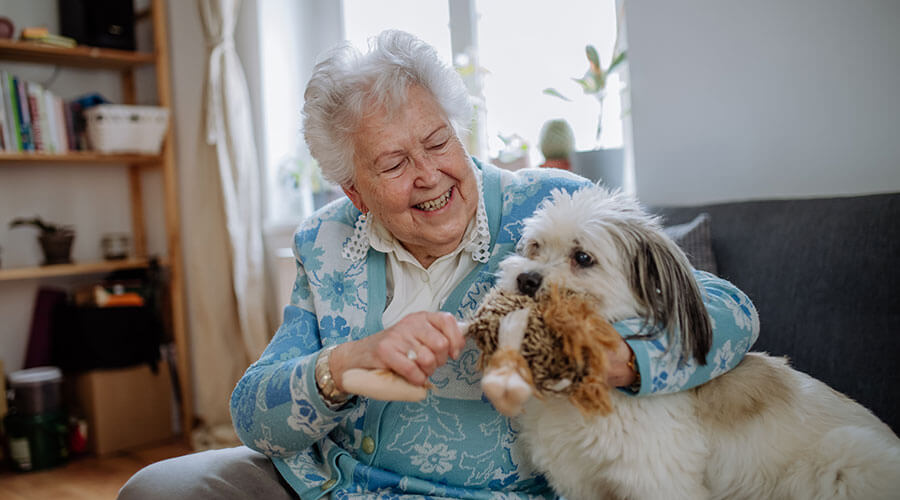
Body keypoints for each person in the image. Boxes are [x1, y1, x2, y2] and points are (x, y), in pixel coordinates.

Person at [120, 30, 759, 499]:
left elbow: (732, 313)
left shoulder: (553, 210)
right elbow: (252, 412)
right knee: (161, 490)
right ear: (354, 190)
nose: (430, 176)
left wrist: (620, 360)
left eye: (437, 142)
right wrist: (346, 363)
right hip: (323, 486)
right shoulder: (326, 240)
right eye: (394, 164)